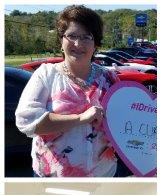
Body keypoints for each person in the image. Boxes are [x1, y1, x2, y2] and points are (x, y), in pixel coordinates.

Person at [15, 5, 118, 177]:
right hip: (53, 178)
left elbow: (129, 121)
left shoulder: (109, 79)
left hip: (104, 175)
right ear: (61, 41)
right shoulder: (46, 74)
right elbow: (26, 119)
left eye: (86, 37)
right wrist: (80, 118)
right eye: (71, 36)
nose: (78, 44)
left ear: (96, 44)